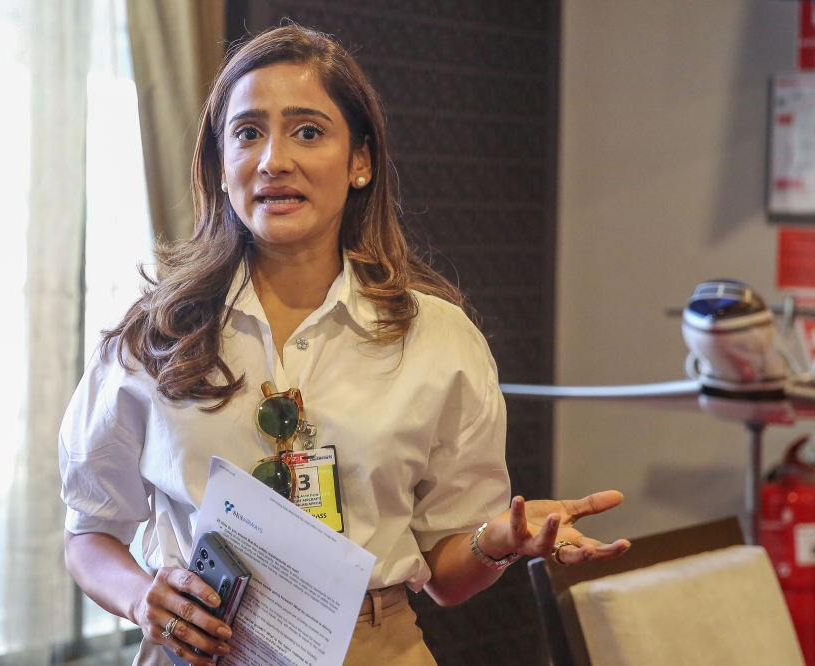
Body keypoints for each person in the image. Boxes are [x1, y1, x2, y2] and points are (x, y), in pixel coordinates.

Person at [59, 25, 630, 666]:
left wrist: (495, 541)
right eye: (248, 133)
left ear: (360, 160)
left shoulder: (437, 339)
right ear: (222, 166)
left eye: (307, 131)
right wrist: (142, 600)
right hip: (198, 648)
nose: (275, 159)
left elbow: (446, 578)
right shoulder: (156, 334)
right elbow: (89, 535)